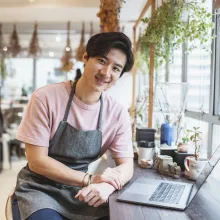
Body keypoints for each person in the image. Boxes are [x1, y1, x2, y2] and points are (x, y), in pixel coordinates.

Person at [13, 32, 134, 220]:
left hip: (81, 194)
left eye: (116, 68)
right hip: (39, 190)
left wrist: (107, 186)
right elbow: (37, 161)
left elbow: (127, 165)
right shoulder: (45, 98)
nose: (106, 73)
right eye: (102, 61)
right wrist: (90, 179)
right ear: (86, 57)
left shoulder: (117, 113)